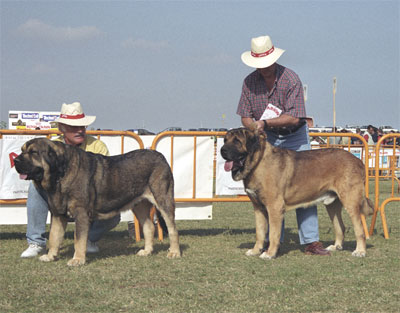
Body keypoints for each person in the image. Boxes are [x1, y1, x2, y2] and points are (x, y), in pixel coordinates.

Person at [237, 35, 329, 255]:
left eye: (265, 64)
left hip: (294, 136)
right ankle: (270, 241)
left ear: (273, 59)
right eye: (258, 64)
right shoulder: (249, 82)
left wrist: (264, 122)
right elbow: (244, 116)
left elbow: (295, 117)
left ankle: (311, 241)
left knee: (306, 187)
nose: (262, 68)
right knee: (268, 190)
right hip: (265, 138)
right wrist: (253, 128)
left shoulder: (290, 79)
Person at [21, 102, 121, 258]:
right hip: (58, 197)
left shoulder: (97, 146)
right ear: (62, 128)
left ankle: (88, 240)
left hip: (89, 200)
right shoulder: (50, 147)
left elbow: (104, 181)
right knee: (35, 188)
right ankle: (36, 243)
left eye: (82, 126)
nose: (80, 130)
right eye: (74, 127)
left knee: (114, 213)